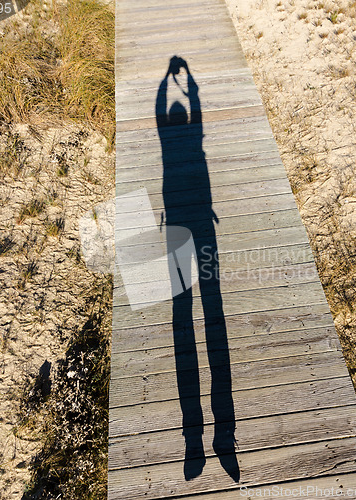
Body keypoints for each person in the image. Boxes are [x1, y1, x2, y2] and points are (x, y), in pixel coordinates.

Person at [156, 56, 240, 482]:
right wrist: (184, 83)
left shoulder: (170, 142)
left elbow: (161, 111)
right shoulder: (188, 141)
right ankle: (216, 439)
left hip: (181, 220)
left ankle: (204, 440)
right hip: (198, 221)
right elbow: (196, 115)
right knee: (209, 313)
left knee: (184, 316)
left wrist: (168, 82)